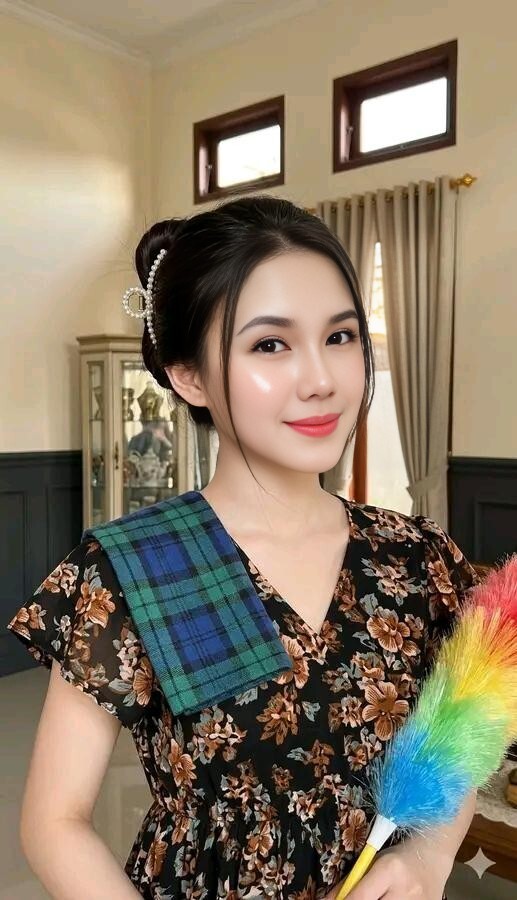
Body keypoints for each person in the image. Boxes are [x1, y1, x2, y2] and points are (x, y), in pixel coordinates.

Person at [7, 196, 479, 900]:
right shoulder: (132, 565)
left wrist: (428, 859)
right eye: (269, 345)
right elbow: (54, 822)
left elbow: (461, 741)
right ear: (188, 375)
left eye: (341, 336)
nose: (321, 379)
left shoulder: (418, 558)